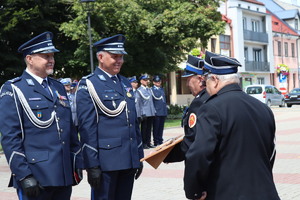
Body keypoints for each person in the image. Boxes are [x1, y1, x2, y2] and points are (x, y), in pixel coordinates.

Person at [183, 51, 280, 200]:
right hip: (266, 193)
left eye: (206, 81)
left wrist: (195, 191)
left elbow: (199, 153)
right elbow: (271, 151)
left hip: (226, 193)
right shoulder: (263, 108)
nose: (205, 86)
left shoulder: (211, 109)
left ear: (215, 80)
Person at [0, 31, 83, 200]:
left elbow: (69, 129)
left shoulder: (58, 87)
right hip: (36, 175)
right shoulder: (14, 89)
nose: (51, 60)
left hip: (63, 174)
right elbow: (10, 137)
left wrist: (76, 161)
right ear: (30, 59)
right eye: (46, 56)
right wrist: (23, 175)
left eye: (52, 56)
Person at [76, 34, 144, 200]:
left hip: (128, 159)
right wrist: (92, 165)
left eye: (121, 57)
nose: (119, 60)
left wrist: (138, 155)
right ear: (100, 57)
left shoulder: (125, 83)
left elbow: (133, 122)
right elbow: (87, 128)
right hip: (106, 162)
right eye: (114, 56)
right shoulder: (89, 84)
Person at [164, 55, 209, 162]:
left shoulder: (199, 102)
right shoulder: (210, 96)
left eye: (188, 79)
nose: (187, 84)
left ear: (199, 79)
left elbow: (192, 139)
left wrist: (166, 155)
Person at [136, 74, 156, 149]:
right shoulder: (139, 91)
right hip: (144, 113)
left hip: (150, 112)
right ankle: (144, 143)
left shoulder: (149, 90)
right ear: (141, 81)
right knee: (144, 129)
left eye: (147, 80)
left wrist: (153, 111)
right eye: (145, 80)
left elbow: (151, 102)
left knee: (149, 129)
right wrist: (141, 113)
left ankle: (148, 142)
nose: (147, 81)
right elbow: (139, 103)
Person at [151, 75, 168, 146]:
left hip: (162, 111)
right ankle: (156, 141)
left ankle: (160, 139)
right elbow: (152, 101)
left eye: (159, 81)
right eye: (156, 81)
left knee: (161, 127)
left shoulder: (161, 89)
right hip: (157, 111)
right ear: (154, 82)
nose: (158, 82)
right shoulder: (152, 90)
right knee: (156, 127)